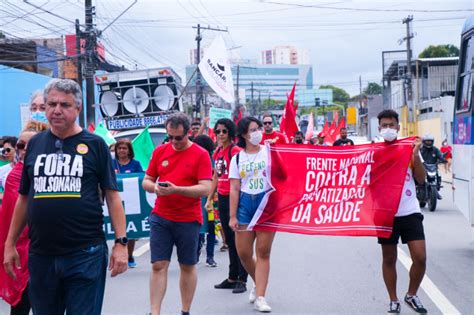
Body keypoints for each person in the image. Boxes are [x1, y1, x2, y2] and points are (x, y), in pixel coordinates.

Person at [3, 79, 128, 315]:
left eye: (64, 105)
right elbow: (24, 199)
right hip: (41, 255)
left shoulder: (96, 145)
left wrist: (121, 245)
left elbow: (112, 197)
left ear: (78, 109)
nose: (56, 110)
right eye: (51, 104)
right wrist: (10, 244)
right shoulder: (36, 144)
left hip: (85, 253)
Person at [142, 112, 212, 315]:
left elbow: (205, 188)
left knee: (187, 265)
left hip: (188, 219)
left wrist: (177, 189)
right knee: (158, 264)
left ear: (189, 132)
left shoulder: (201, 154)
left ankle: (185, 310)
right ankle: (154, 312)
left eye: (178, 137)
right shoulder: (160, 151)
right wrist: (155, 187)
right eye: (170, 137)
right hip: (161, 216)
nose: (173, 141)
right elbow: (146, 180)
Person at [376, 109, 428, 314]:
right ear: (379, 128)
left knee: (420, 258)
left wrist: (415, 155)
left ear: (398, 127)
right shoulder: (374, 151)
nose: (388, 128)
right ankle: (394, 300)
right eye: (384, 125)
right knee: (389, 258)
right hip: (384, 213)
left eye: (391, 125)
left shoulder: (408, 148)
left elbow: (421, 179)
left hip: (410, 211)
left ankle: (411, 295)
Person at [0, 121, 48, 315]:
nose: (25, 149)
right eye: (20, 145)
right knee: (20, 305)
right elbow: (10, 217)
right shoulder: (13, 176)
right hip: (20, 250)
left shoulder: (50, 172)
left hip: (48, 247)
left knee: (48, 305)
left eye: (31, 145)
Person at [229, 117, 275, 313]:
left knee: (263, 252)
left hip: (266, 204)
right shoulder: (237, 158)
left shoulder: (270, 152)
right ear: (243, 135)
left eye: (258, 128)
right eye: (252, 130)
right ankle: (258, 282)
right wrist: (232, 216)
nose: (257, 132)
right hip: (245, 205)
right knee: (244, 253)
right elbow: (234, 188)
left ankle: (261, 297)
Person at [208, 118, 249, 294]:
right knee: (229, 240)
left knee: (240, 241)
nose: (221, 134)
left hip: (237, 198)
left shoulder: (236, 151)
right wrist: (210, 198)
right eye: (218, 131)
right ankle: (232, 277)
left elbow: (243, 177)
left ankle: (242, 279)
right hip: (223, 198)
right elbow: (215, 177)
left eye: (224, 131)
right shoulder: (217, 152)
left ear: (231, 133)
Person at [112, 139, 144, 268]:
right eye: (119, 148)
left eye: (124, 148)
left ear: (129, 151)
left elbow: (141, 180)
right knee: (117, 231)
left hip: (131, 203)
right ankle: (117, 256)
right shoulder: (111, 163)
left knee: (131, 232)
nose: (121, 151)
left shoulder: (136, 164)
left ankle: (130, 255)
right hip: (114, 202)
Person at [192, 134, 218, 267]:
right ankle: (196, 253)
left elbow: (215, 179)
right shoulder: (193, 159)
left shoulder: (213, 160)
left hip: (211, 199)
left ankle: (210, 256)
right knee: (198, 228)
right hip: (197, 198)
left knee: (211, 227)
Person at [420, 134, 446, 199]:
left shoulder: (435, 149)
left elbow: (440, 155)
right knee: (416, 177)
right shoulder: (421, 149)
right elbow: (416, 156)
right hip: (422, 167)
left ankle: (437, 189)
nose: (429, 143)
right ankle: (417, 190)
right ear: (424, 141)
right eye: (427, 141)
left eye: (430, 141)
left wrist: (443, 159)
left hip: (433, 166)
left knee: (438, 175)